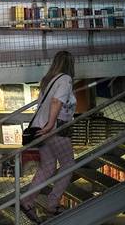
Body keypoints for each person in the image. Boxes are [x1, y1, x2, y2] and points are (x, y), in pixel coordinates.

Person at [21, 51, 76, 223]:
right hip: (55, 129)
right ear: (70, 64)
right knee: (68, 164)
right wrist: (51, 124)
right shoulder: (66, 79)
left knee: (48, 166)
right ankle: (53, 203)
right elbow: (56, 101)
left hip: (41, 129)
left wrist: (46, 126)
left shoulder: (48, 80)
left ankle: (27, 201)